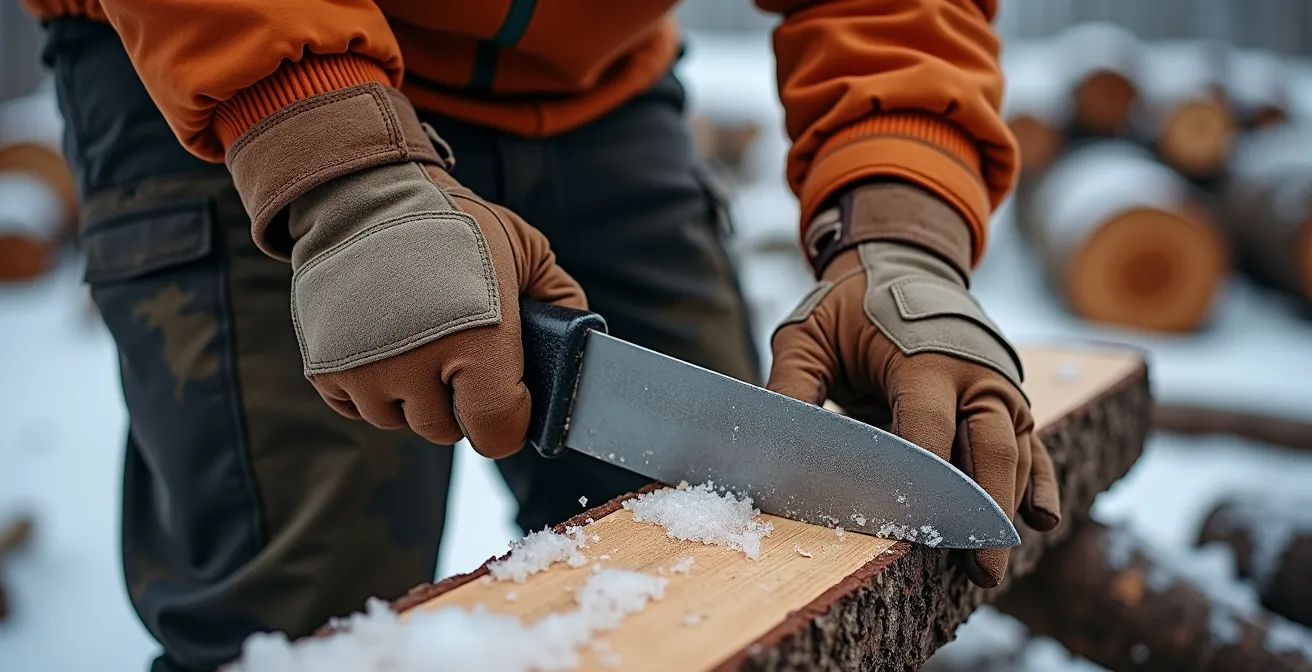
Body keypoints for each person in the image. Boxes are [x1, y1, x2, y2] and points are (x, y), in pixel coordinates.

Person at [22, 0, 1061, 669]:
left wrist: (901, 230)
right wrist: (329, 162)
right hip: (225, 64)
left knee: (730, 563)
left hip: (598, 90)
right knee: (299, 629)